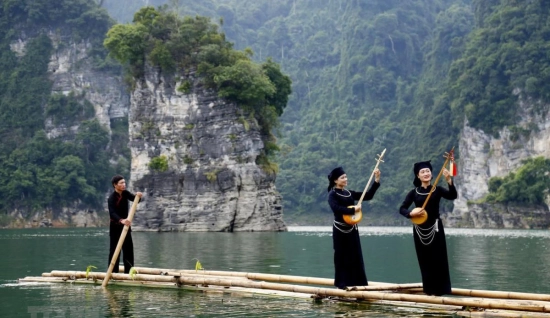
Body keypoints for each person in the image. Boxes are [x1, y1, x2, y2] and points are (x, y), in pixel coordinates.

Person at [399, 160, 457, 296]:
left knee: (439, 258)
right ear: (418, 176)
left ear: (431, 174)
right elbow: (402, 209)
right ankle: (429, 290)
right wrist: (411, 213)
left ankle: (441, 290)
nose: (426, 174)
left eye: (428, 171)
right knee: (424, 259)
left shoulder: (437, 189)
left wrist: (449, 181)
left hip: (435, 228)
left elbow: (453, 196)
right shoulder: (413, 193)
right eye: (422, 172)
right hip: (420, 230)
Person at [327, 166, 380, 289]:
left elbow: (368, 195)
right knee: (341, 256)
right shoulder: (332, 194)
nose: (346, 179)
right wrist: (353, 209)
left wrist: (376, 180)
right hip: (339, 229)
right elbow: (336, 209)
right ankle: (342, 284)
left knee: (355, 255)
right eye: (342, 177)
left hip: (352, 229)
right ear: (335, 180)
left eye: (346, 176)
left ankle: (358, 283)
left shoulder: (349, 193)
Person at [108, 175, 143, 274]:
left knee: (128, 250)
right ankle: (113, 273)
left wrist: (138, 196)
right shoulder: (111, 198)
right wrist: (121, 220)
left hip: (126, 226)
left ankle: (129, 272)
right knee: (114, 251)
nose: (124, 185)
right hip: (115, 227)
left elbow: (135, 199)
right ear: (115, 185)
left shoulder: (125, 193)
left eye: (124, 182)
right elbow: (112, 213)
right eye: (121, 183)